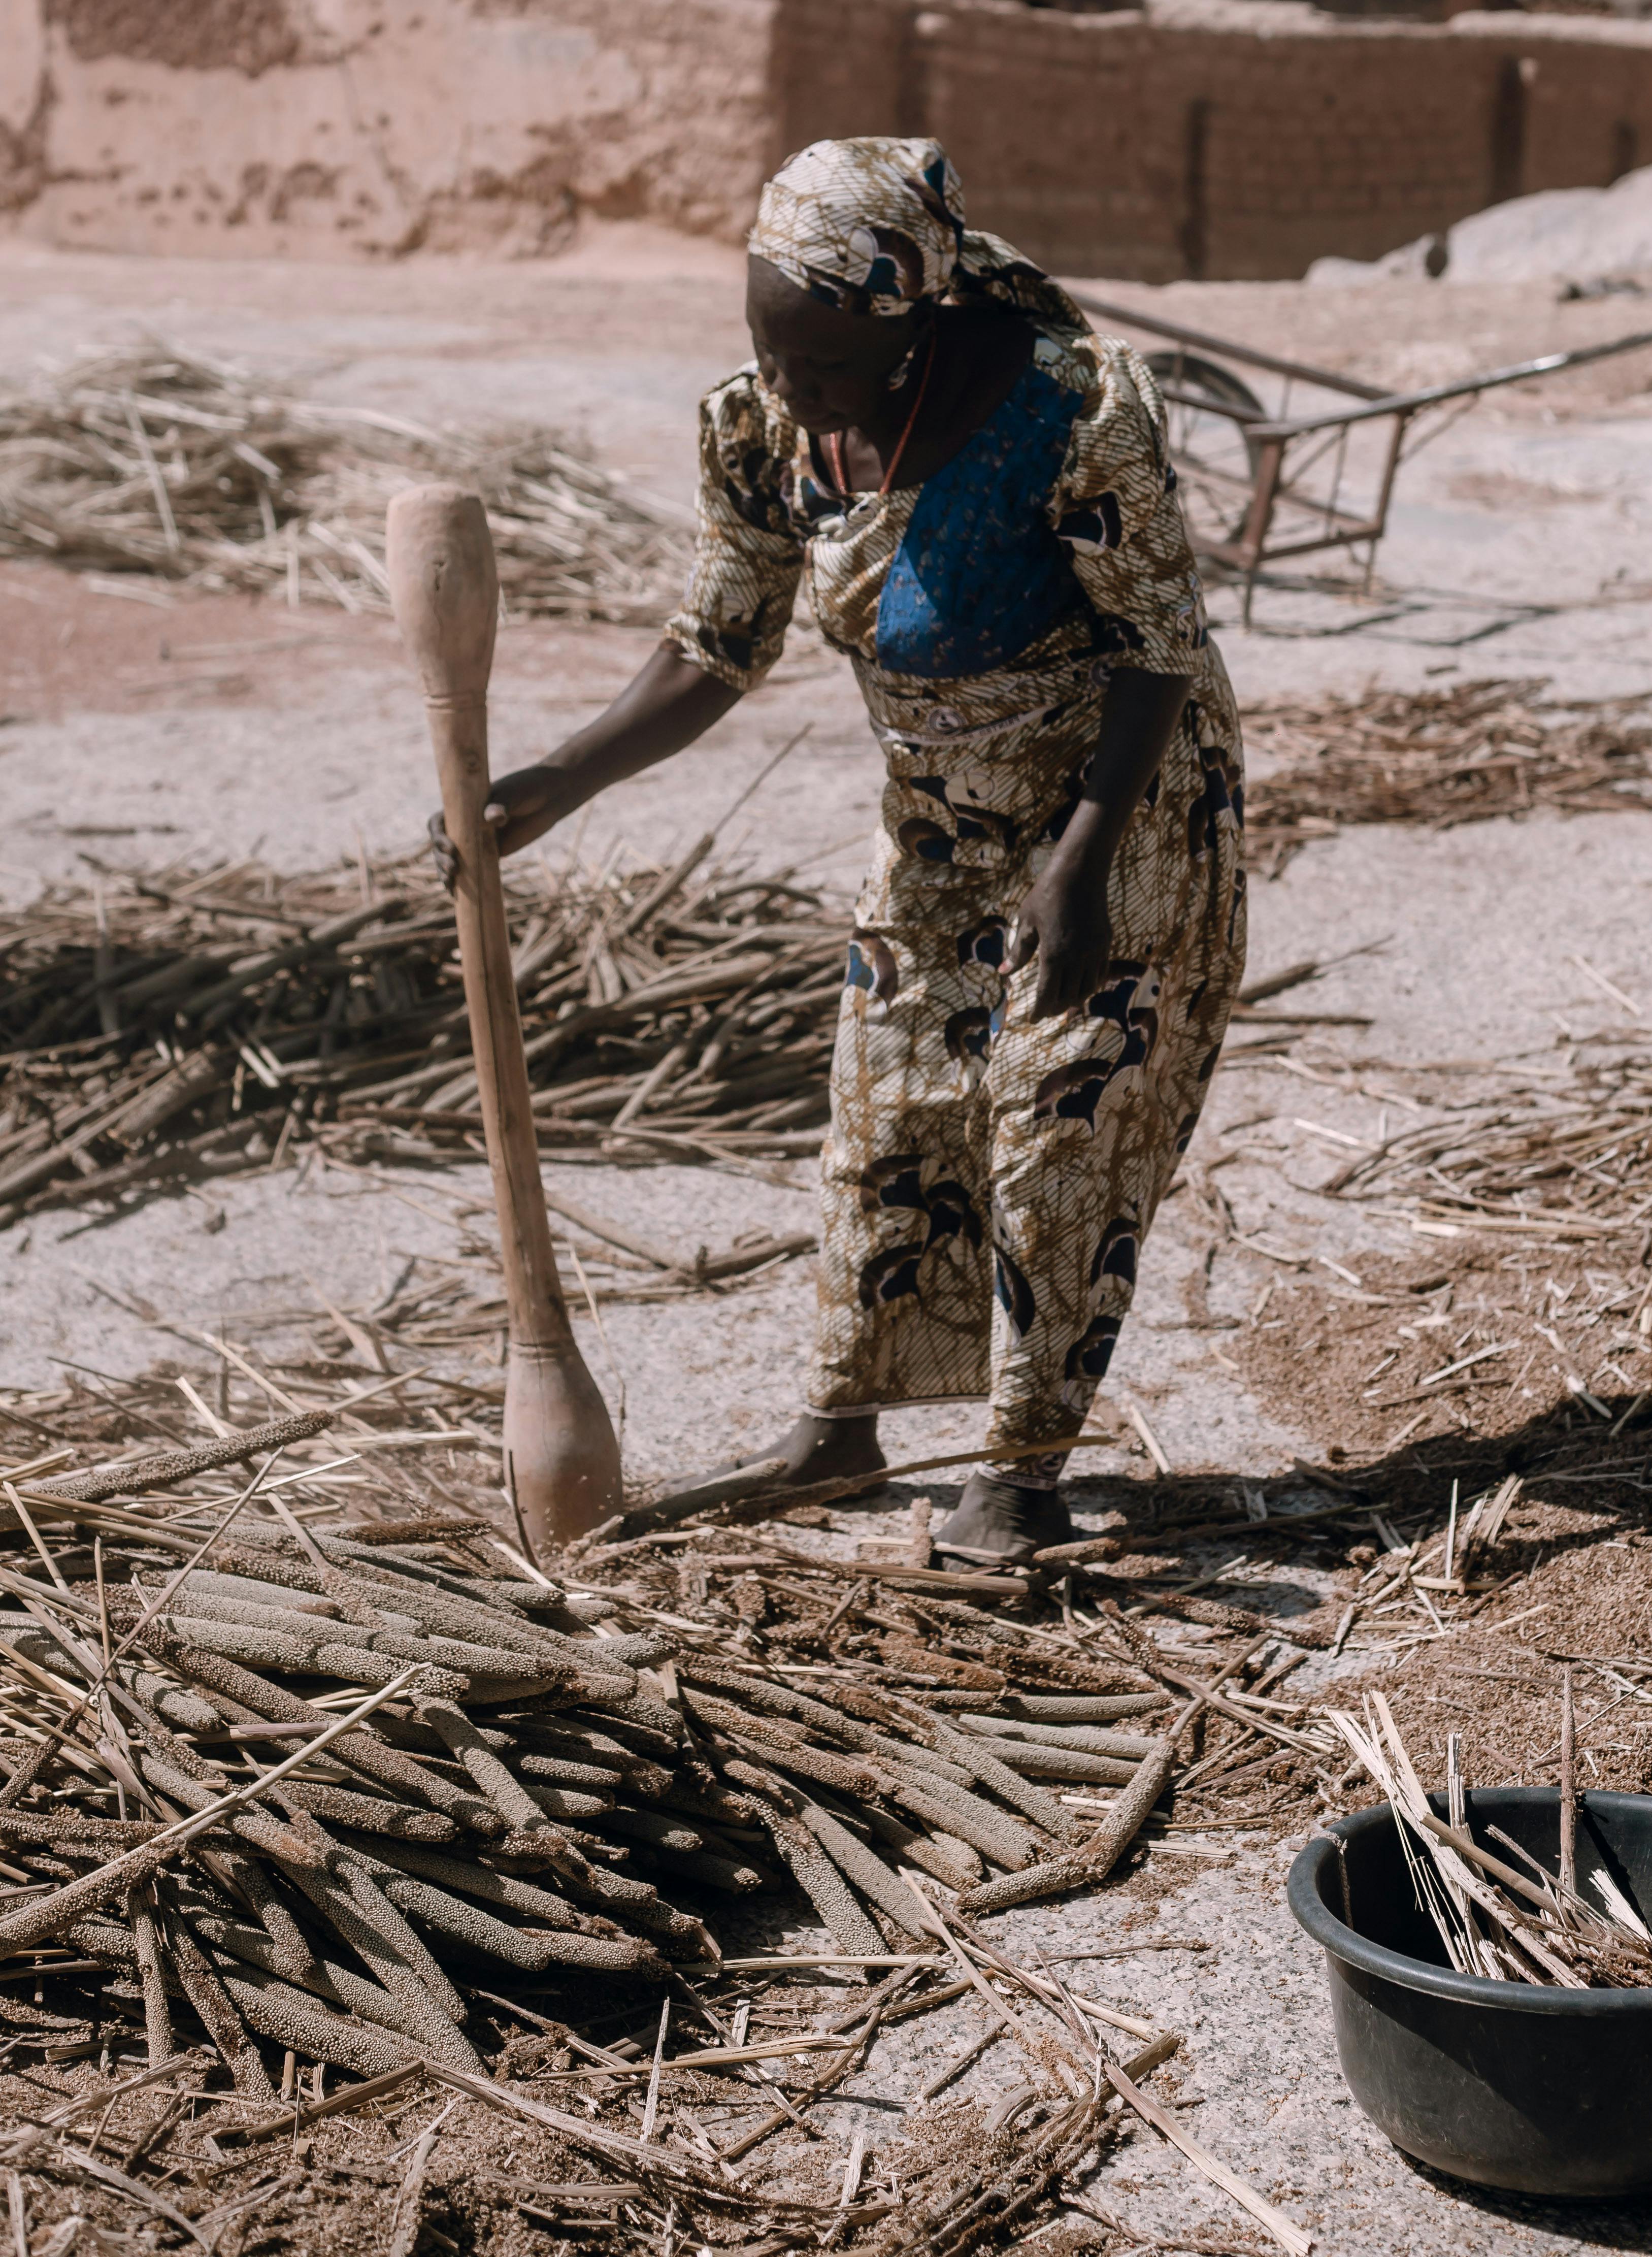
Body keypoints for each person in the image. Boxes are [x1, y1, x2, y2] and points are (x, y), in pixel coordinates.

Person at [437, 137, 1245, 1561]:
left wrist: (1079, 863)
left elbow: (1161, 645)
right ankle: (838, 1431)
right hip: (937, 825)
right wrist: (549, 786)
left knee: (1058, 1129)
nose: (788, 385)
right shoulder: (760, 430)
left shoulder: (1067, 406)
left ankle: (1020, 1477)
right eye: (767, 345)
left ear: (908, 320)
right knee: (884, 1113)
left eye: (816, 359)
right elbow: (716, 640)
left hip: (1118, 804)